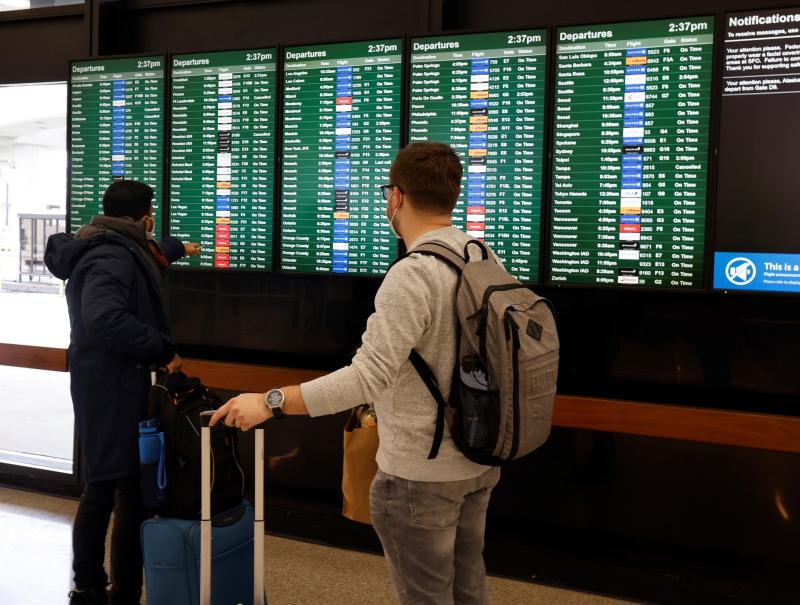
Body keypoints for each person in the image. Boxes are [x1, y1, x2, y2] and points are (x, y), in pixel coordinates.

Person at [210, 142, 502, 605]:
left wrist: (270, 402)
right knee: (469, 591)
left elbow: (366, 377)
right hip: (478, 459)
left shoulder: (414, 274)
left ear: (396, 197)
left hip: (420, 475)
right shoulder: (482, 255)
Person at [45, 180, 200, 605]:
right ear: (142, 217)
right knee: (124, 493)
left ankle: (89, 586)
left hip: (105, 385)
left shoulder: (107, 244)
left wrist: (178, 248)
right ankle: (121, 593)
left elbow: (146, 256)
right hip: (113, 388)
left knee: (102, 485)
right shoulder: (111, 256)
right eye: (151, 216)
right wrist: (161, 348)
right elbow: (103, 317)